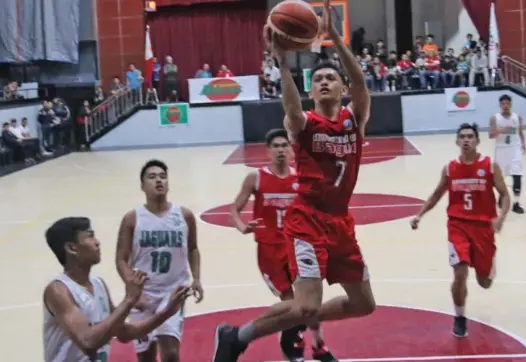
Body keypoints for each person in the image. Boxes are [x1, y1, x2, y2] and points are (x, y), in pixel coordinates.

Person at [212, 1, 374, 360]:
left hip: (341, 223)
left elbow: (361, 82)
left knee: (364, 304)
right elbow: (290, 108)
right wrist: (283, 63)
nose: (325, 81)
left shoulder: (354, 118)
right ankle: (237, 337)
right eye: (318, 80)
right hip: (307, 220)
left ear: (341, 86)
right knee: (303, 306)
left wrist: (334, 37)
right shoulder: (303, 125)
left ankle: (288, 326)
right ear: (312, 91)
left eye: (331, 77)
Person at [229, 128, 337, 361]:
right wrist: (242, 226)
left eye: (285, 146)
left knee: (309, 300)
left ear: (291, 151)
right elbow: (234, 209)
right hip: (270, 250)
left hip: (298, 247)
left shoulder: (299, 178)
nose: (280, 150)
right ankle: (293, 337)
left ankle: (317, 345)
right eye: (276, 146)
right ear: (268, 151)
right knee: (292, 302)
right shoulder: (256, 178)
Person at [410, 123, 510, 338]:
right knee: (460, 272)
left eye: (470, 136)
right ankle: (460, 317)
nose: (466, 140)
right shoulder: (450, 168)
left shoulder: (490, 166)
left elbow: (504, 194)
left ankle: (489, 264)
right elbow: (436, 194)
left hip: (483, 228)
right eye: (462, 137)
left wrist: (501, 217)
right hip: (458, 226)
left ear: (477, 141)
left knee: (485, 282)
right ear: (457, 141)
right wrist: (420, 214)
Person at [42, 217, 190, 362]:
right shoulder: (58, 291)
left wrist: (167, 312)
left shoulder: (99, 284)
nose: (97, 242)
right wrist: (129, 300)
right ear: (71, 248)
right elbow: (88, 342)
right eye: (90, 237)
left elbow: (124, 333)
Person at [115, 159, 204, 362]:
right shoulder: (132, 218)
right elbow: (121, 259)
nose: (159, 181)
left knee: (171, 353)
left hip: (173, 292)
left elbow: (193, 248)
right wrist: (134, 291)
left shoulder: (184, 215)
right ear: (142, 186)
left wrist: (196, 278)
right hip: (143, 294)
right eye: (152, 177)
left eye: (163, 176)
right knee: (146, 356)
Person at [489, 94, 526, 214]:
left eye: (507, 103)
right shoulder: (495, 118)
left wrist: (523, 144)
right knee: (500, 178)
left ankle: (516, 203)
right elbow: (491, 135)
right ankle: (502, 195)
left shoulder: (517, 117)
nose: (505, 106)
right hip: (501, 150)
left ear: (510, 104)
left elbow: (520, 132)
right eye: (503, 104)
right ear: (500, 105)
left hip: (514, 149)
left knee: (517, 175)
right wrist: (501, 130)